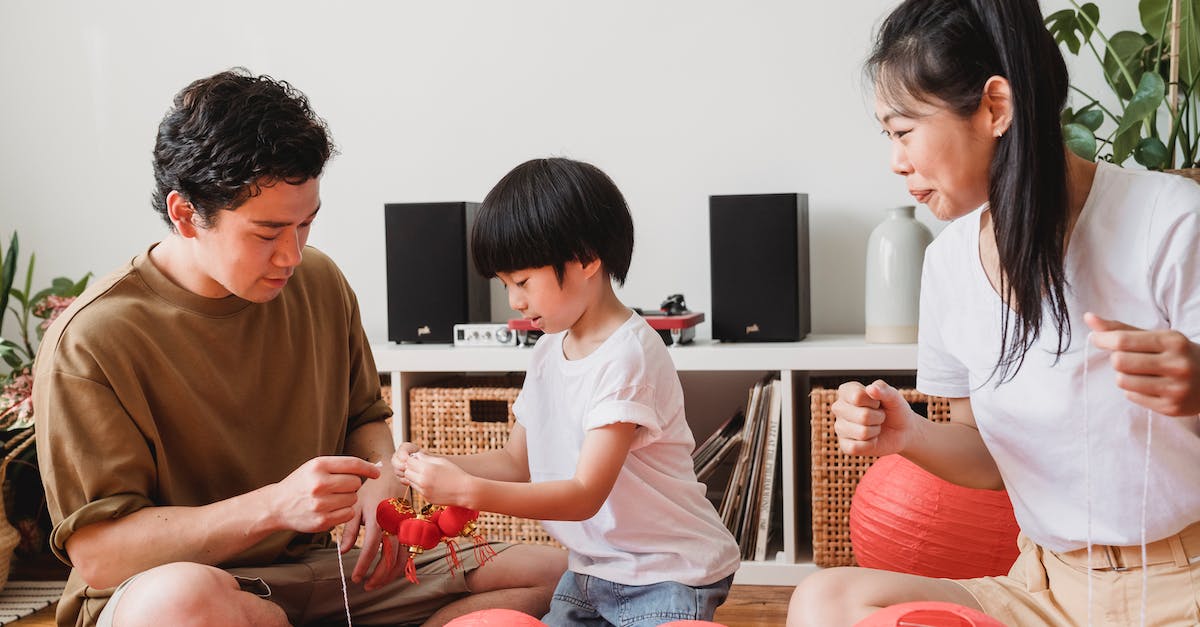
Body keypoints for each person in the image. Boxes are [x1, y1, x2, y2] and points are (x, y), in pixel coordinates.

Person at [33, 68, 565, 627]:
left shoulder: (320, 282)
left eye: (305, 224)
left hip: (320, 573)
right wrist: (274, 507)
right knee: (176, 604)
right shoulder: (92, 341)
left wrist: (381, 477)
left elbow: (365, 417)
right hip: (190, 585)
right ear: (186, 215)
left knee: (550, 576)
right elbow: (99, 555)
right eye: (266, 234)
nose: (291, 254)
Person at [787, 0, 1200, 625]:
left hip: (1179, 588)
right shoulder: (949, 263)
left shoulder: (1168, 220)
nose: (896, 161)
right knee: (826, 600)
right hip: (1045, 591)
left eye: (903, 131)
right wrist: (908, 435)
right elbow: (987, 460)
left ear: (995, 107)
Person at [392, 157, 741, 626]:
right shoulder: (548, 349)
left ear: (585, 260)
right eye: (504, 284)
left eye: (522, 282)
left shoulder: (628, 356)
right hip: (591, 574)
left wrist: (470, 491)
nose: (514, 301)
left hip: (667, 574)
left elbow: (583, 495)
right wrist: (434, 466)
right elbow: (517, 462)